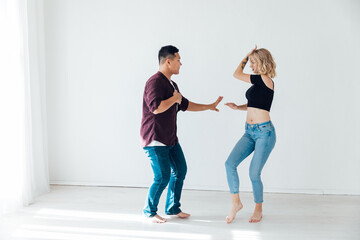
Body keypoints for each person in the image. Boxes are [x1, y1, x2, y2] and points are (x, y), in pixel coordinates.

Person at [140, 45, 223, 223]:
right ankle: (149, 211)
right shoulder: (154, 82)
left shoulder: (172, 84)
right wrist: (174, 98)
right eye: (178, 60)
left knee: (180, 170)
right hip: (155, 139)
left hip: (169, 139)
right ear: (168, 61)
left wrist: (209, 106)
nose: (181, 64)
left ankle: (172, 208)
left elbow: (185, 105)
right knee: (162, 176)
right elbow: (155, 108)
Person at [224, 46, 277, 223]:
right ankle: (236, 203)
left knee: (254, 173)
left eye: (253, 63)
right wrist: (238, 107)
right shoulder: (258, 83)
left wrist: (246, 55)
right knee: (230, 163)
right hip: (249, 131)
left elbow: (237, 73)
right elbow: (254, 104)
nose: (251, 66)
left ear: (261, 62)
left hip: (264, 133)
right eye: (250, 62)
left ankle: (258, 208)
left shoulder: (264, 79)